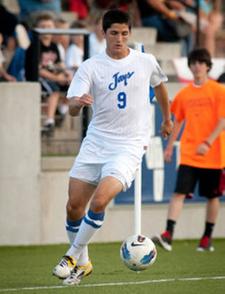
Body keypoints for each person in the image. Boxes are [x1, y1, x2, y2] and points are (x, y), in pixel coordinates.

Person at [52, 9, 173, 286]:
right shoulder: (91, 66)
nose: (119, 38)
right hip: (96, 142)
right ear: (103, 33)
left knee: (100, 201)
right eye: (114, 33)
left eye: (124, 33)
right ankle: (84, 263)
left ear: (130, 33)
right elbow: (71, 108)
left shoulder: (145, 61)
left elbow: (161, 87)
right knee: (73, 207)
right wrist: (76, 104)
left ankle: (71, 256)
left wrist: (167, 119)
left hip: (129, 145)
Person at [152, 48, 225, 252]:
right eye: (193, 63)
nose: (197, 66)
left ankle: (207, 237)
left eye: (201, 62)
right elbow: (177, 122)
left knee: (212, 196)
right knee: (178, 193)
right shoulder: (184, 94)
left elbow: (222, 121)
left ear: (208, 66)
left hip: (214, 155)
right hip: (189, 154)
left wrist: (208, 143)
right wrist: (169, 148)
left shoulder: (219, 91)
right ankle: (168, 234)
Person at [25, 13, 71, 136]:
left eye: (49, 26)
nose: (46, 29)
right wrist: (57, 78)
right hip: (37, 78)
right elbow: (39, 70)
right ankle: (49, 121)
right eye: (43, 26)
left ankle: (62, 110)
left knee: (73, 84)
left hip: (52, 76)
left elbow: (59, 63)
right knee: (54, 89)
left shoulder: (55, 46)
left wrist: (66, 74)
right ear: (37, 29)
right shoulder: (34, 46)